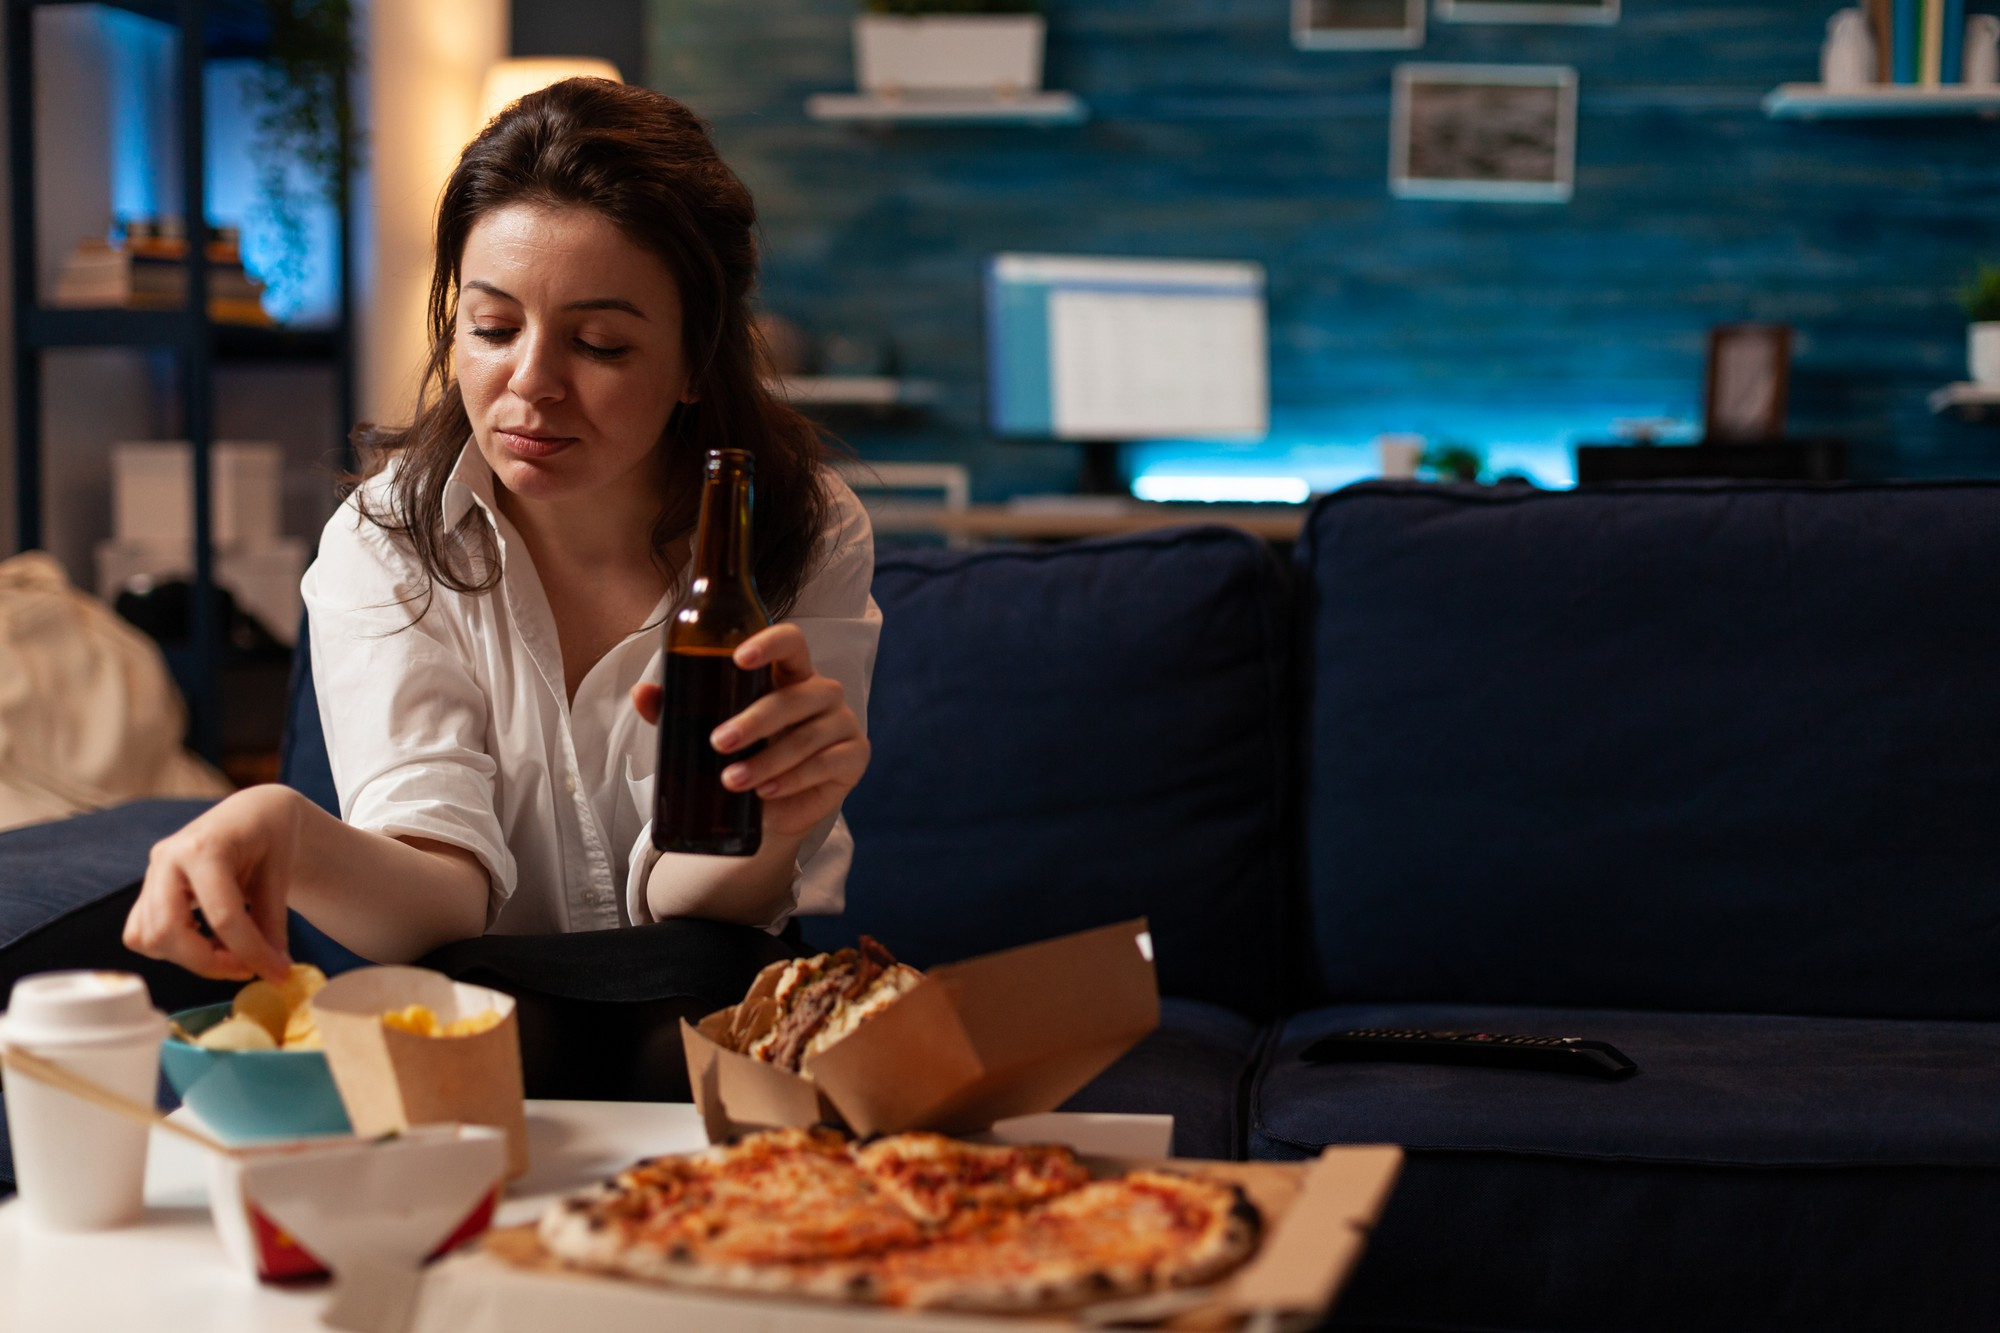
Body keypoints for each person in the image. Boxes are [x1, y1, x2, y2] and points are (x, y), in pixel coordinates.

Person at [121, 79, 880, 1095]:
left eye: (600, 343)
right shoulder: (387, 538)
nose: (530, 382)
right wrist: (285, 828)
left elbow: (693, 899)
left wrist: (779, 811)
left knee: (697, 1050)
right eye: (490, 327)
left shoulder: (797, 528)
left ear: (697, 354)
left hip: (703, 974)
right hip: (475, 999)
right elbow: (445, 899)